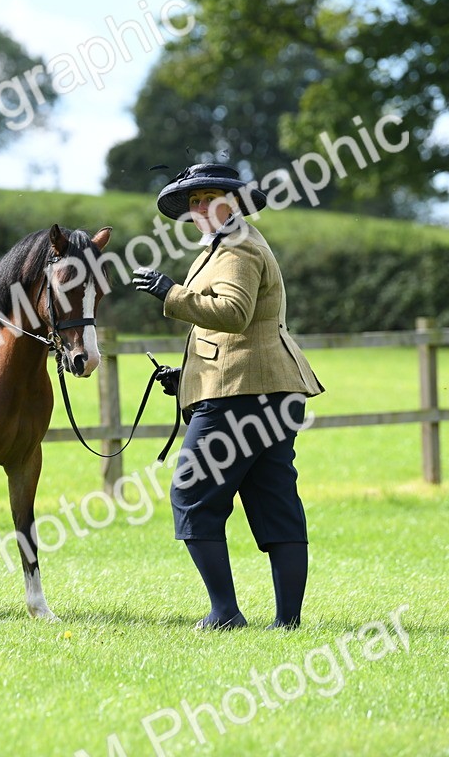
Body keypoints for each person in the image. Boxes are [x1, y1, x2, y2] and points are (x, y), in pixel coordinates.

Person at [132, 163, 324, 630]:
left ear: (233, 201)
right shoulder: (228, 243)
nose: (200, 209)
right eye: (194, 203)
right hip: (268, 389)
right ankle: (287, 622)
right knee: (273, 498)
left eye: (209, 199)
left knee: (190, 492)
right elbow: (240, 332)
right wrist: (190, 374)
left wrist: (169, 292)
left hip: (243, 395)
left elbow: (234, 314)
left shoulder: (236, 245)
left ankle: (225, 613)